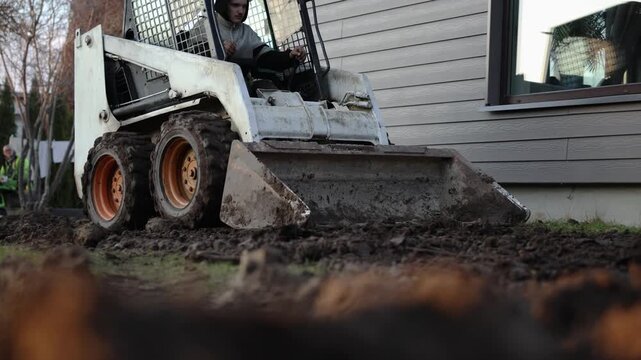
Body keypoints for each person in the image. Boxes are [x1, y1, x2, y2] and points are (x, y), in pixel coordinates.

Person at [214, 0, 307, 73]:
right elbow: (199, 57)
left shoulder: (246, 32)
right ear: (223, 4)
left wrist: (290, 55)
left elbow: (266, 58)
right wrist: (219, 48)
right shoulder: (205, 26)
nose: (241, 11)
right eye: (235, 5)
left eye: (244, 6)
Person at [0, 145, 29, 216]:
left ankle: (2, 211)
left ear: (13, 151)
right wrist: (2, 179)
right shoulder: (6, 164)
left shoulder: (21, 160)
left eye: (9, 150)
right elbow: (1, 175)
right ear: (3, 153)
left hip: (19, 185)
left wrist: (7, 180)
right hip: (8, 185)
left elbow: (25, 176)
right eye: (5, 151)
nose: (7, 152)